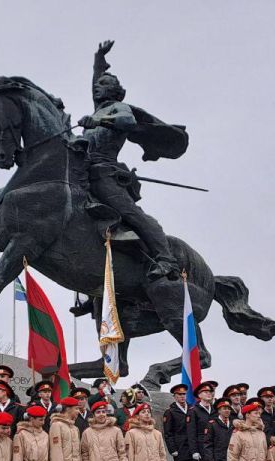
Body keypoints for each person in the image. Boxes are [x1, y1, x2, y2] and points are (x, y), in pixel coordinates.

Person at [77, 40, 185, 283]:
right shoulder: (98, 108)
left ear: (115, 91)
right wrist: (98, 60)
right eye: (97, 85)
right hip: (81, 169)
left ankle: (166, 258)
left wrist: (100, 123)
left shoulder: (119, 107)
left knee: (131, 213)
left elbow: (128, 123)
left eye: (104, 85)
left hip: (104, 171)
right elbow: (95, 80)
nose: (97, 88)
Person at [161, 384, 192, 461]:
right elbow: (168, 433)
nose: (182, 396)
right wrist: (172, 449)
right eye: (179, 394)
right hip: (180, 449)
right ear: (174, 396)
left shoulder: (192, 409)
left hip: (193, 448)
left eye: (184, 394)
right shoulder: (170, 412)